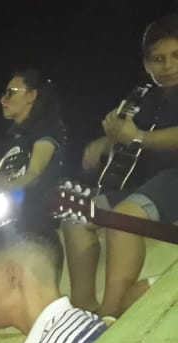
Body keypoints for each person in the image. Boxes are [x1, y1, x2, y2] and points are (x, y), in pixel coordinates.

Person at [65, 14, 178, 318]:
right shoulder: (146, 96)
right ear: (147, 65)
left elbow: (139, 135)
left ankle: (110, 316)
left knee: (124, 216)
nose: (168, 65)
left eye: (176, 56)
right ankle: (83, 310)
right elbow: (128, 132)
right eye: (158, 59)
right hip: (150, 185)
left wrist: (138, 137)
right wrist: (106, 142)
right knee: (76, 214)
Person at [0, 70, 66, 234]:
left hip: (29, 222)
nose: (3, 99)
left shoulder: (47, 129)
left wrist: (4, 187)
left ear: (31, 96)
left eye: (10, 93)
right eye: (4, 93)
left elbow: (34, 174)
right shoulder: (11, 137)